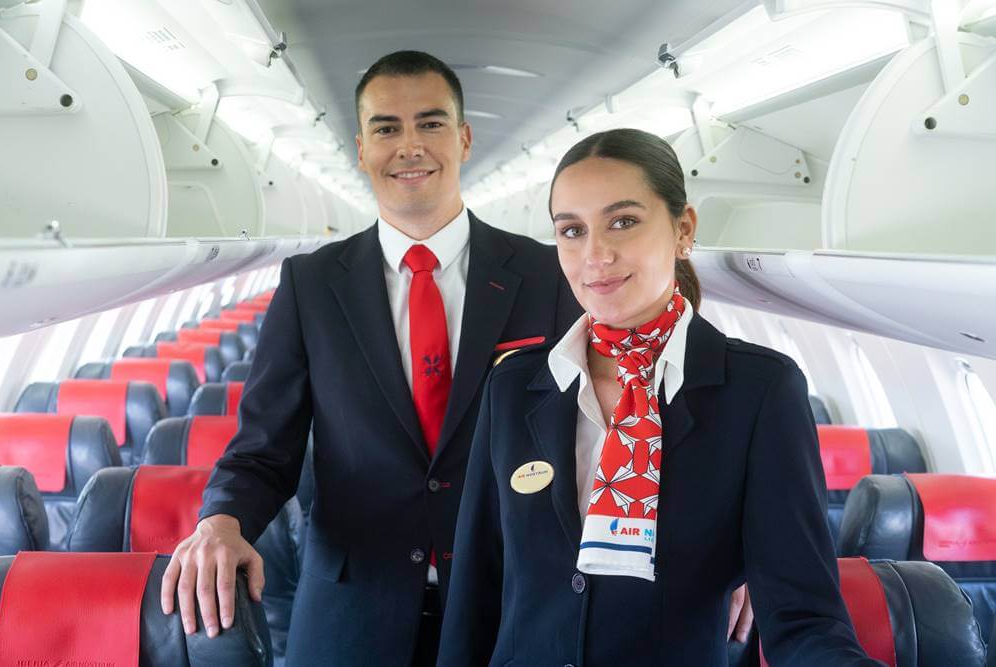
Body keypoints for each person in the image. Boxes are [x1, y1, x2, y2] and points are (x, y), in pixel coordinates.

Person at [159, 50, 581, 666]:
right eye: (387, 128)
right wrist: (220, 522)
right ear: (361, 149)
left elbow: (613, 431)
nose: (409, 145)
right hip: (351, 615)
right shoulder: (311, 284)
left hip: (509, 604)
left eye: (431, 123)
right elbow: (262, 448)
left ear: (463, 138)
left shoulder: (549, 276)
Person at [436, 128, 883, 666]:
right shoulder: (515, 386)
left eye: (623, 222)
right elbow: (475, 593)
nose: (595, 255)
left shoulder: (759, 392)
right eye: (572, 231)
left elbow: (803, 617)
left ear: (683, 229)